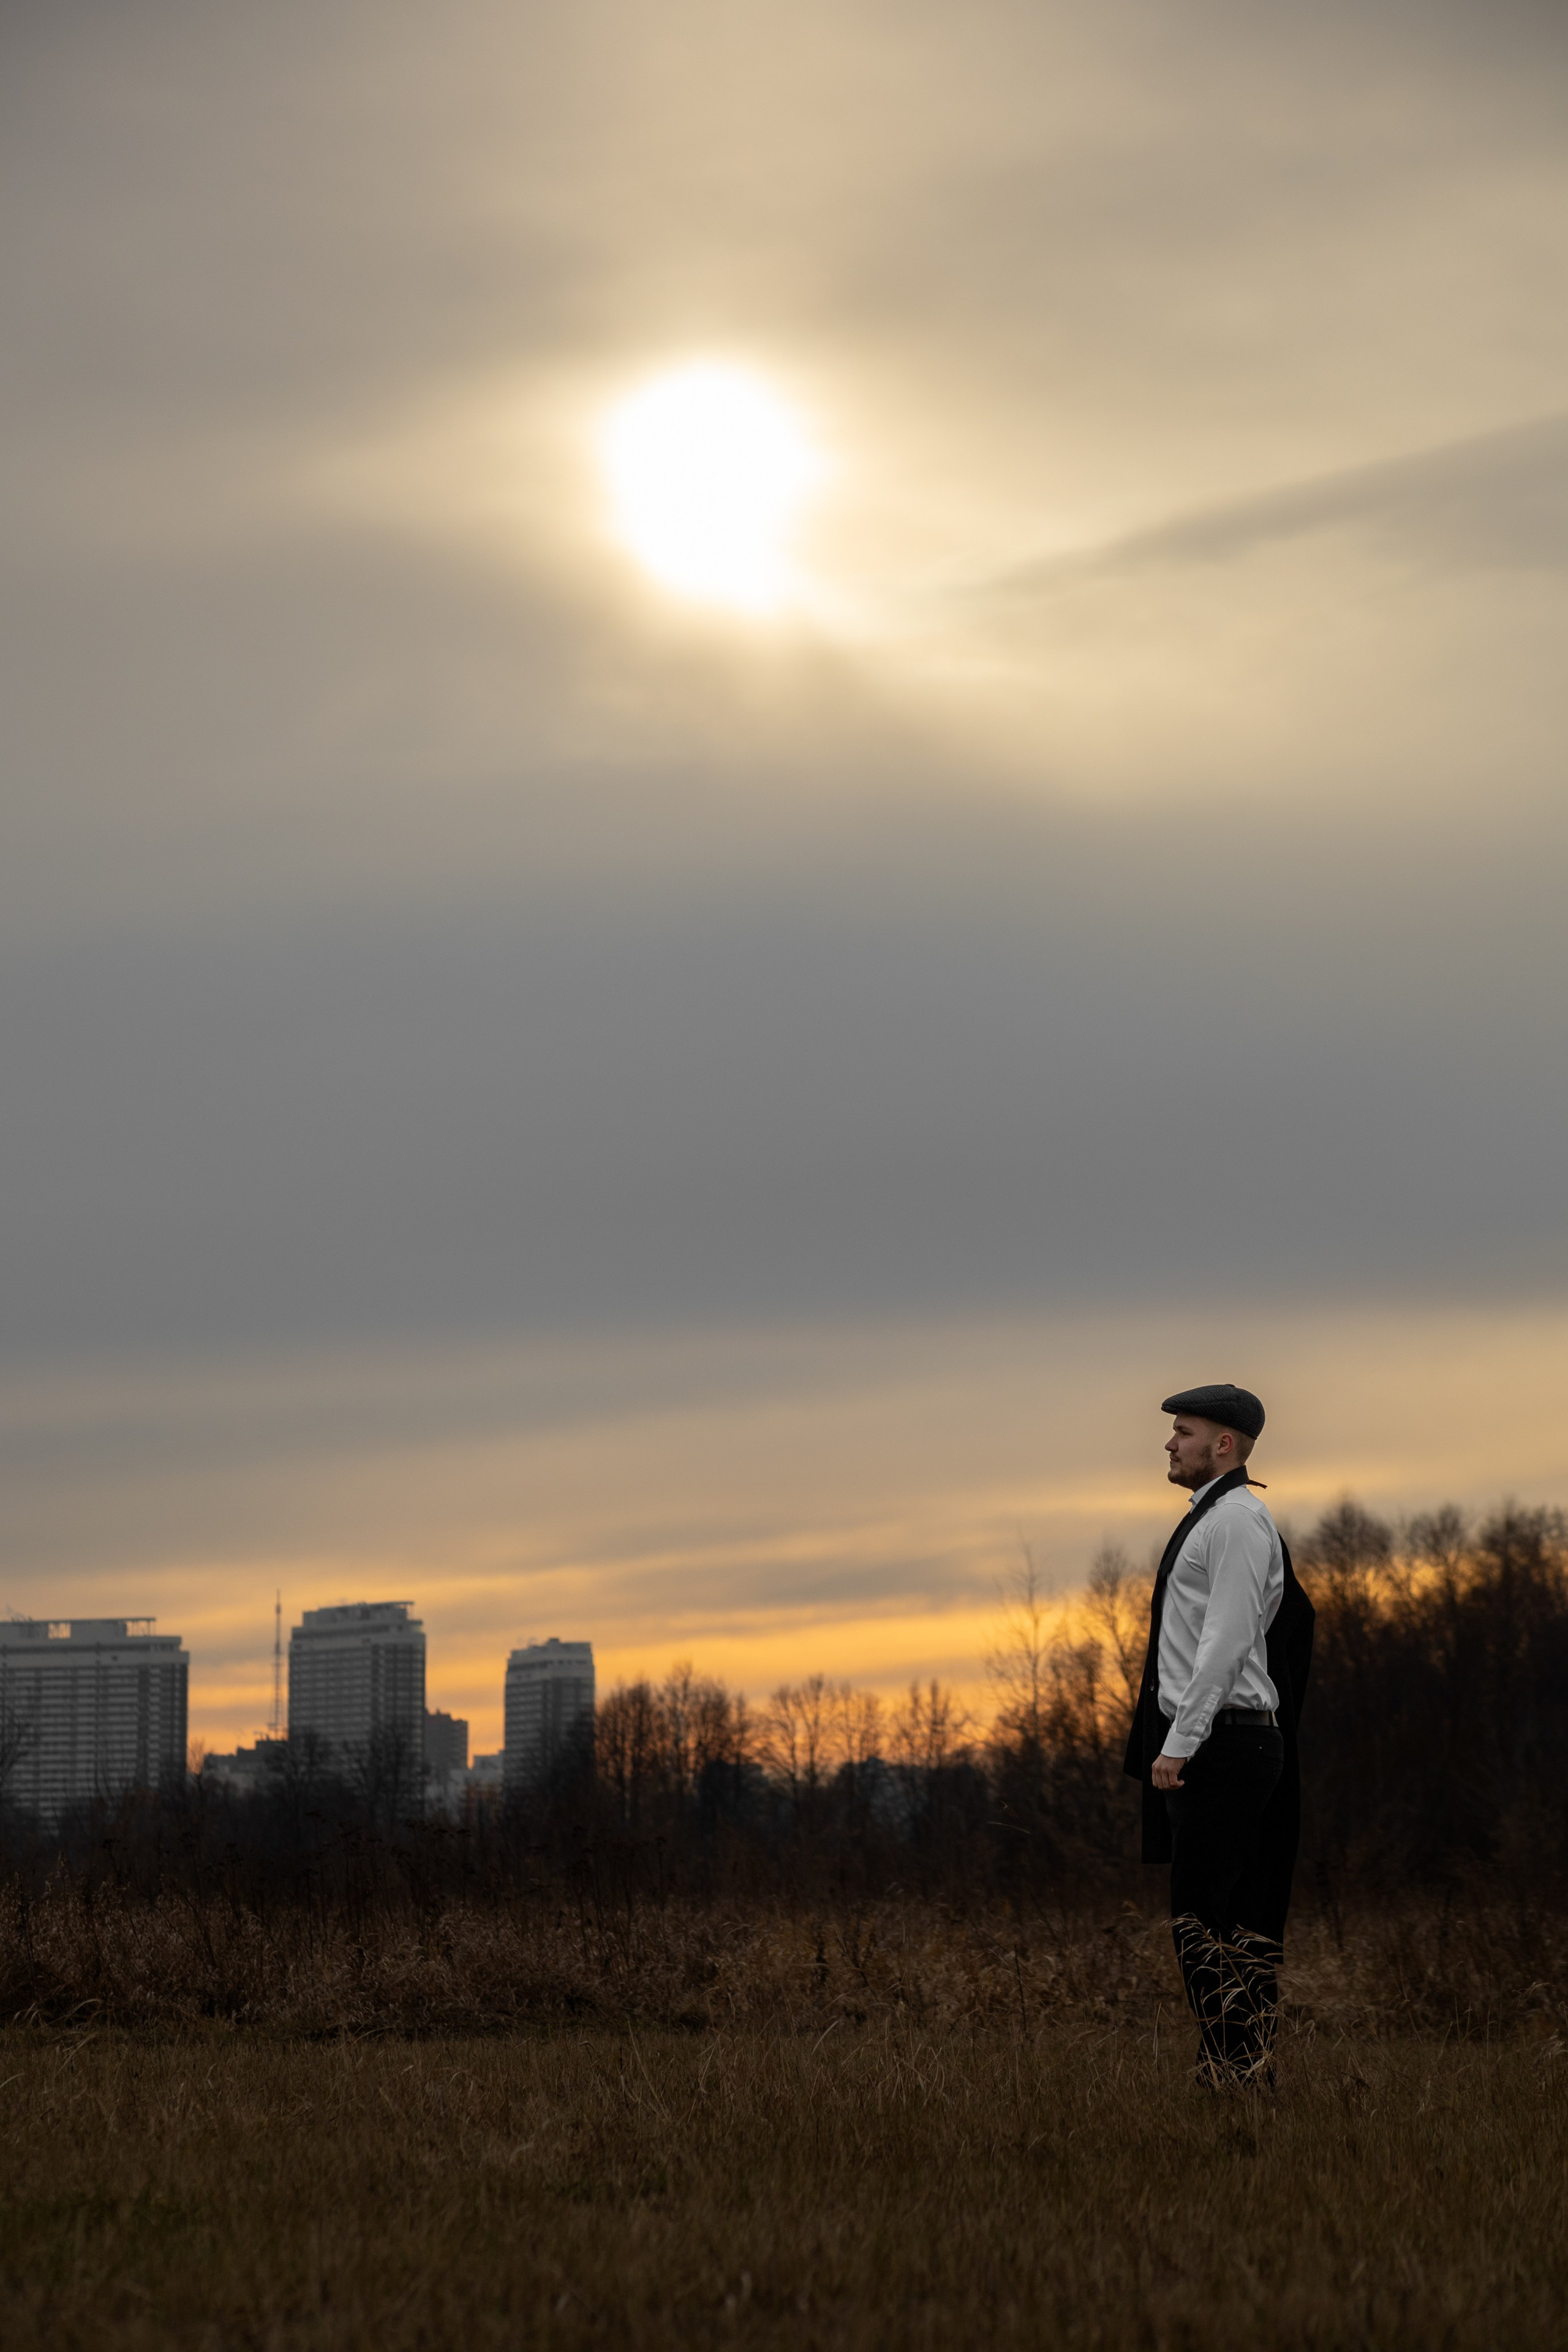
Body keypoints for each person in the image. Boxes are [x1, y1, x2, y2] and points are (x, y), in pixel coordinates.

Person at [1123, 1384, 1314, 2087]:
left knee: (1205, 1919)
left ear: (1223, 1445)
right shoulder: (1216, 1520)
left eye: (1183, 1431)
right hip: (1223, 1742)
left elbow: (1228, 1642)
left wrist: (1179, 1743)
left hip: (1224, 1744)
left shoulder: (1235, 1522)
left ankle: (1233, 2069)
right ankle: (1236, 2065)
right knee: (1223, 1915)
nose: (1170, 1444)